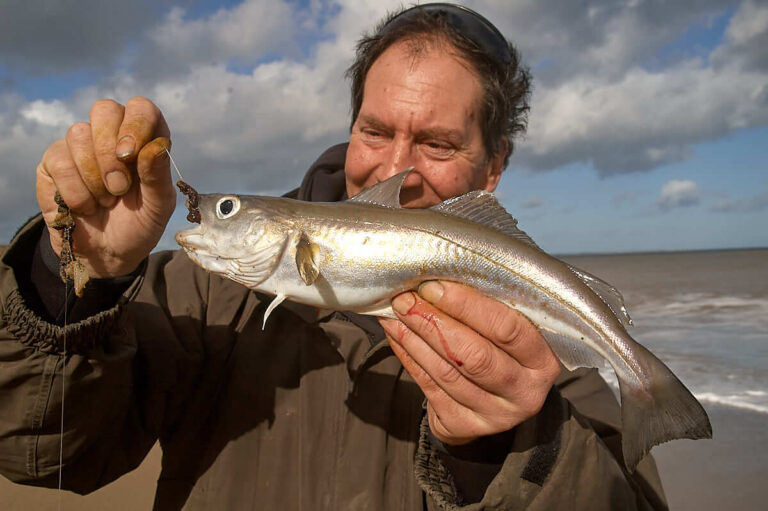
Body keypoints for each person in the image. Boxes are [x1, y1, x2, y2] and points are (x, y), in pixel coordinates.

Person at [0, 4, 667, 510]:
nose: (399, 168)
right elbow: (43, 451)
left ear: (492, 168)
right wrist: (76, 275)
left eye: (437, 144)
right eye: (375, 130)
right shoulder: (201, 302)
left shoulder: (540, 352)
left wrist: (509, 445)